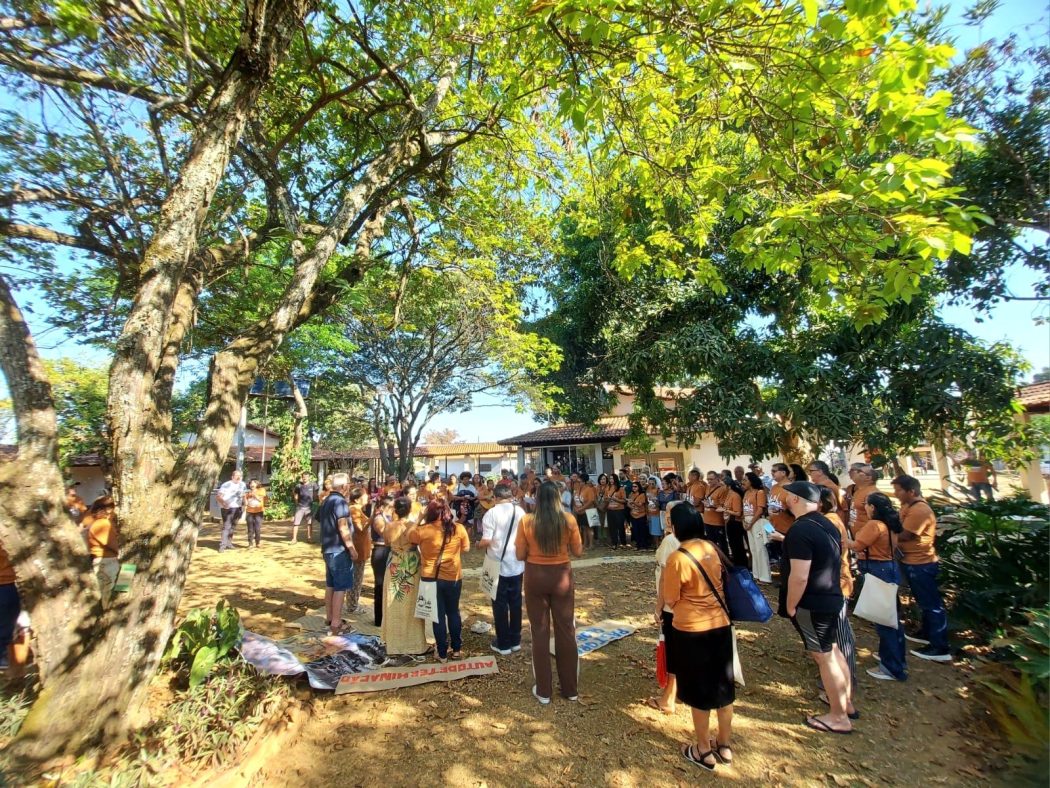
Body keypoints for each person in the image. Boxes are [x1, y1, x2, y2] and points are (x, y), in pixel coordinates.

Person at [662, 502, 736, 772]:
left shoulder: (678, 557)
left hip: (691, 628)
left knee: (699, 691)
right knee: (723, 687)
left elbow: (671, 597)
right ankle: (724, 744)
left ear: (675, 526)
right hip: (721, 624)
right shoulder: (711, 548)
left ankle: (703, 749)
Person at [778, 481, 852, 735]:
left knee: (823, 655)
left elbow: (799, 576)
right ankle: (845, 702)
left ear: (796, 499)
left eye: (787, 496)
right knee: (832, 649)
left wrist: (790, 605)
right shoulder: (826, 523)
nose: (784, 499)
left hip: (812, 601)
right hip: (831, 595)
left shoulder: (801, 530)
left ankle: (838, 716)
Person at [515, 480, 582, 704]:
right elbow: (578, 551)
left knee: (539, 631)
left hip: (535, 575)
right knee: (566, 630)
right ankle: (570, 688)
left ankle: (544, 690)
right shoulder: (569, 519)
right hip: (561, 575)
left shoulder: (526, 521)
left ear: (537, 497)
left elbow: (519, 555)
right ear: (557, 498)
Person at [848, 491, 907, 682]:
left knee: (884, 621)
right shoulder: (891, 524)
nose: (864, 507)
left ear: (872, 507)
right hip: (889, 566)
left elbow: (856, 545)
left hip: (876, 568)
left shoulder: (874, 525)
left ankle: (892, 666)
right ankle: (896, 659)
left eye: (866, 504)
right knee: (892, 618)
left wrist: (842, 537)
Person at [893, 475, 951, 663]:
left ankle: (940, 646)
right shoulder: (908, 507)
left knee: (931, 604)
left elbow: (905, 535)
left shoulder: (919, 510)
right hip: (911, 561)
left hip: (921, 563)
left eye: (899, 490)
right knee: (924, 602)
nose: (896, 493)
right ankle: (927, 634)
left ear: (912, 491)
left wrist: (884, 533)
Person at [410, 500, 471, 662]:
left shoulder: (423, 530)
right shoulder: (458, 528)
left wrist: (420, 517)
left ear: (429, 513)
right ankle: (457, 649)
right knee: (453, 612)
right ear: (448, 512)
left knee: (437, 616)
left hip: (430, 578)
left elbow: (409, 535)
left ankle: (442, 653)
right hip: (453, 577)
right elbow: (466, 548)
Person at [819, 487, 858, 717]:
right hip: (832, 583)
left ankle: (846, 689)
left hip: (836, 583)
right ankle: (837, 685)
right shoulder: (828, 520)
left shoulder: (831, 522)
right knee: (835, 637)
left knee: (841, 637)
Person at [479, 483, 526, 655]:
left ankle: (503, 643)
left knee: (499, 605)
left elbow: (486, 540)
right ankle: (515, 640)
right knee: (515, 603)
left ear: (496, 498)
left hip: (497, 564)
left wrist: (478, 544)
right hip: (516, 564)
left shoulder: (491, 513)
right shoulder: (520, 511)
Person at [381, 497, 428, 656]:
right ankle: (414, 644)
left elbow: (387, 543)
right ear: (409, 510)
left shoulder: (388, 526)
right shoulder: (413, 526)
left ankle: (394, 643)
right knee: (411, 604)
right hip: (411, 564)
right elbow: (419, 541)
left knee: (392, 601)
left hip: (394, 562)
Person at [650, 500, 683, 714]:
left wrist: (658, 606)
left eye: (671, 514)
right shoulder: (699, 540)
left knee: (673, 650)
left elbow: (664, 578)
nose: (667, 518)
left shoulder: (671, 541)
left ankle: (669, 698)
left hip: (672, 604)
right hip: (688, 603)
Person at [316, 473, 358, 636]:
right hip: (339, 550)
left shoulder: (326, 500)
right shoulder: (340, 502)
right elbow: (343, 527)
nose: (350, 486)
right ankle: (336, 622)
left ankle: (329, 617)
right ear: (344, 486)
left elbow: (320, 518)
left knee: (331, 584)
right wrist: (351, 547)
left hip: (327, 548)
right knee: (341, 586)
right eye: (349, 483)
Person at [347, 487, 372, 615]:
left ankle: (353, 603)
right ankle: (352, 606)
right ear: (357, 499)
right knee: (356, 578)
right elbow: (360, 529)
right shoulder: (354, 510)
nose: (367, 497)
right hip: (358, 549)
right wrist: (372, 519)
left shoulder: (357, 510)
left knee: (357, 577)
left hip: (362, 548)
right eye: (365, 495)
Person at [742, 472, 771, 583]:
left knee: (760, 549)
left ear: (751, 481)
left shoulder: (759, 492)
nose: (743, 482)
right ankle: (756, 574)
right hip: (748, 521)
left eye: (745, 480)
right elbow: (745, 509)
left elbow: (760, 510)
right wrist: (744, 521)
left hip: (757, 522)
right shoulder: (745, 493)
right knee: (753, 549)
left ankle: (765, 577)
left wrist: (751, 522)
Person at [370, 495, 393, 627]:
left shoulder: (390, 517)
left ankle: (387, 615)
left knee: (388, 585)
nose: (392, 509)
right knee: (380, 585)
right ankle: (379, 618)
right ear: (383, 507)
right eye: (390, 507)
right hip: (380, 551)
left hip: (389, 550)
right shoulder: (379, 518)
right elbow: (386, 533)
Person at [720, 478, 748, 568]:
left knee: (737, 546)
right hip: (729, 522)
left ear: (728, 486)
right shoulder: (728, 494)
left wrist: (724, 510)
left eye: (722, 485)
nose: (721, 487)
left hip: (735, 523)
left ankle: (742, 565)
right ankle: (737, 564)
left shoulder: (735, 496)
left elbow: (738, 512)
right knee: (733, 545)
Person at [217, 470, 247, 552]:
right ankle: (222, 546)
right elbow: (218, 497)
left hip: (238, 508)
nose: (238, 477)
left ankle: (229, 543)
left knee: (233, 526)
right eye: (237, 476)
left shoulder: (243, 484)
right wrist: (224, 504)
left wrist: (244, 504)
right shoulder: (226, 485)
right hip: (228, 508)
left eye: (240, 476)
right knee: (227, 526)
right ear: (232, 477)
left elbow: (244, 495)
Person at [701, 472, 729, 553]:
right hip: (707, 520)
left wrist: (711, 505)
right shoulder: (708, 487)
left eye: (711, 479)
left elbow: (724, 506)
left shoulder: (722, 489)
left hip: (717, 522)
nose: (709, 481)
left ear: (717, 479)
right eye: (708, 479)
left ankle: (725, 562)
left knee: (722, 544)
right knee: (711, 544)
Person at [573, 472, 597, 550]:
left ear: (584, 482)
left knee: (589, 528)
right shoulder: (577, 489)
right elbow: (574, 499)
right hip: (580, 511)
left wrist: (582, 508)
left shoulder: (589, 489)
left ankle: (591, 544)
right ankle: (585, 543)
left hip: (589, 511)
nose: (579, 483)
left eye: (580, 482)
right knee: (583, 527)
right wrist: (576, 508)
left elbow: (591, 501)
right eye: (578, 482)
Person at [291, 473, 318, 543]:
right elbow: (296, 495)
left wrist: (314, 502)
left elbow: (315, 494)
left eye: (306, 477)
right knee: (296, 523)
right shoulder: (298, 486)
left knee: (309, 523)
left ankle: (309, 538)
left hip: (309, 507)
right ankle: (294, 539)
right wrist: (297, 504)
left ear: (309, 477)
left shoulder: (313, 485)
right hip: (300, 507)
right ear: (302, 477)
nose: (305, 478)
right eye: (303, 477)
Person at [606, 474, 628, 549]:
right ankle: (614, 543)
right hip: (610, 510)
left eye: (612, 478)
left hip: (619, 510)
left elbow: (624, 500)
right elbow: (606, 498)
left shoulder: (621, 488)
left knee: (621, 527)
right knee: (612, 527)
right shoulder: (608, 488)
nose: (611, 480)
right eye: (610, 478)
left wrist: (616, 499)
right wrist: (607, 499)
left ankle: (623, 542)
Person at [244, 479, 266, 548]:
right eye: (250, 484)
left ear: (257, 484)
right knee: (250, 528)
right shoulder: (247, 492)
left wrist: (254, 495)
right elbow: (246, 503)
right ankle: (250, 543)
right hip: (249, 511)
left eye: (253, 483)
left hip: (259, 511)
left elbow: (260, 499)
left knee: (257, 528)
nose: (251, 485)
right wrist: (244, 497)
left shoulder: (261, 490)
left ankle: (258, 542)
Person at [629, 481, 649, 550]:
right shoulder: (631, 494)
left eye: (635, 486)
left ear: (638, 487)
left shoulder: (642, 494)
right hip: (633, 515)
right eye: (633, 486)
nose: (634, 488)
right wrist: (631, 505)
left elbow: (640, 505)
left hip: (641, 515)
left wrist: (633, 502)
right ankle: (638, 545)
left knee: (642, 531)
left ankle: (644, 545)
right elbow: (628, 503)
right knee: (635, 531)